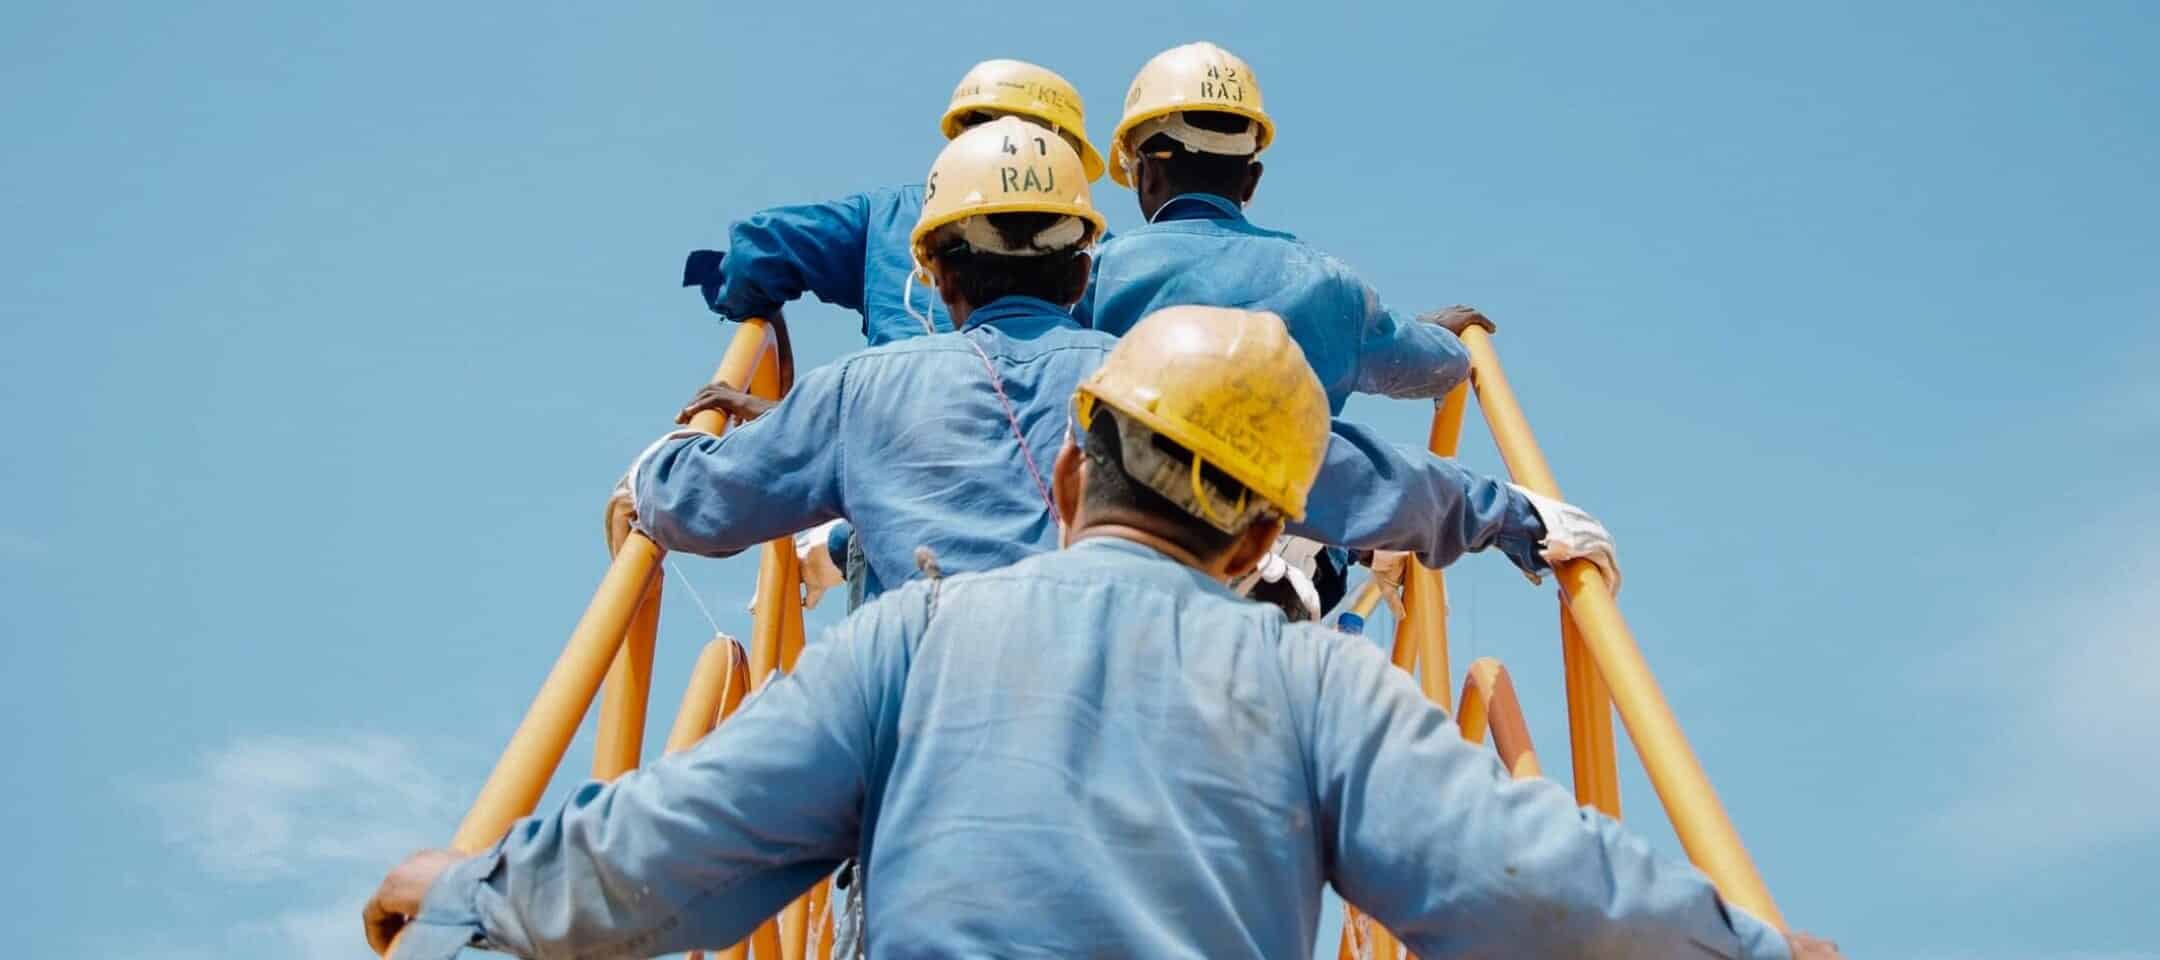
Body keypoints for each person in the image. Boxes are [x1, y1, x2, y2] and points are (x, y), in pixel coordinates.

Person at [365, 305, 1838, 960]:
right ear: (1268, 539)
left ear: (1071, 473)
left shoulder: (908, 639)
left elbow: (672, 853)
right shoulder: (1320, 679)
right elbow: (1526, 885)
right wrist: (1752, 949)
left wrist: (468, 888)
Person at [625, 118, 1613, 606]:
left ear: (933, 265)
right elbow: (1354, 469)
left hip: (924, 795)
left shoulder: (859, 393)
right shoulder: (1169, 382)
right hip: (1143, 771)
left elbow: (692, 504)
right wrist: (1515, 514)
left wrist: (676, 448)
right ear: (1082, 259)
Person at [1077, 42, 1503, 616]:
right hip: (1290, 550)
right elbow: (1437, 367)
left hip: (1133, 554)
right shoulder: (1328, 284)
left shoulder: (1099, 273)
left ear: (1144, 171)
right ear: (1250, 179)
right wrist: (1442, 336)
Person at [682, 58, 1108, 610]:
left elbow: (761, 250)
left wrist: (753, 318)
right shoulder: (1083, 247)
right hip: (1056, 542)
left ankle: (836, 546)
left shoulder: (896, 217)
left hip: (893, 502)